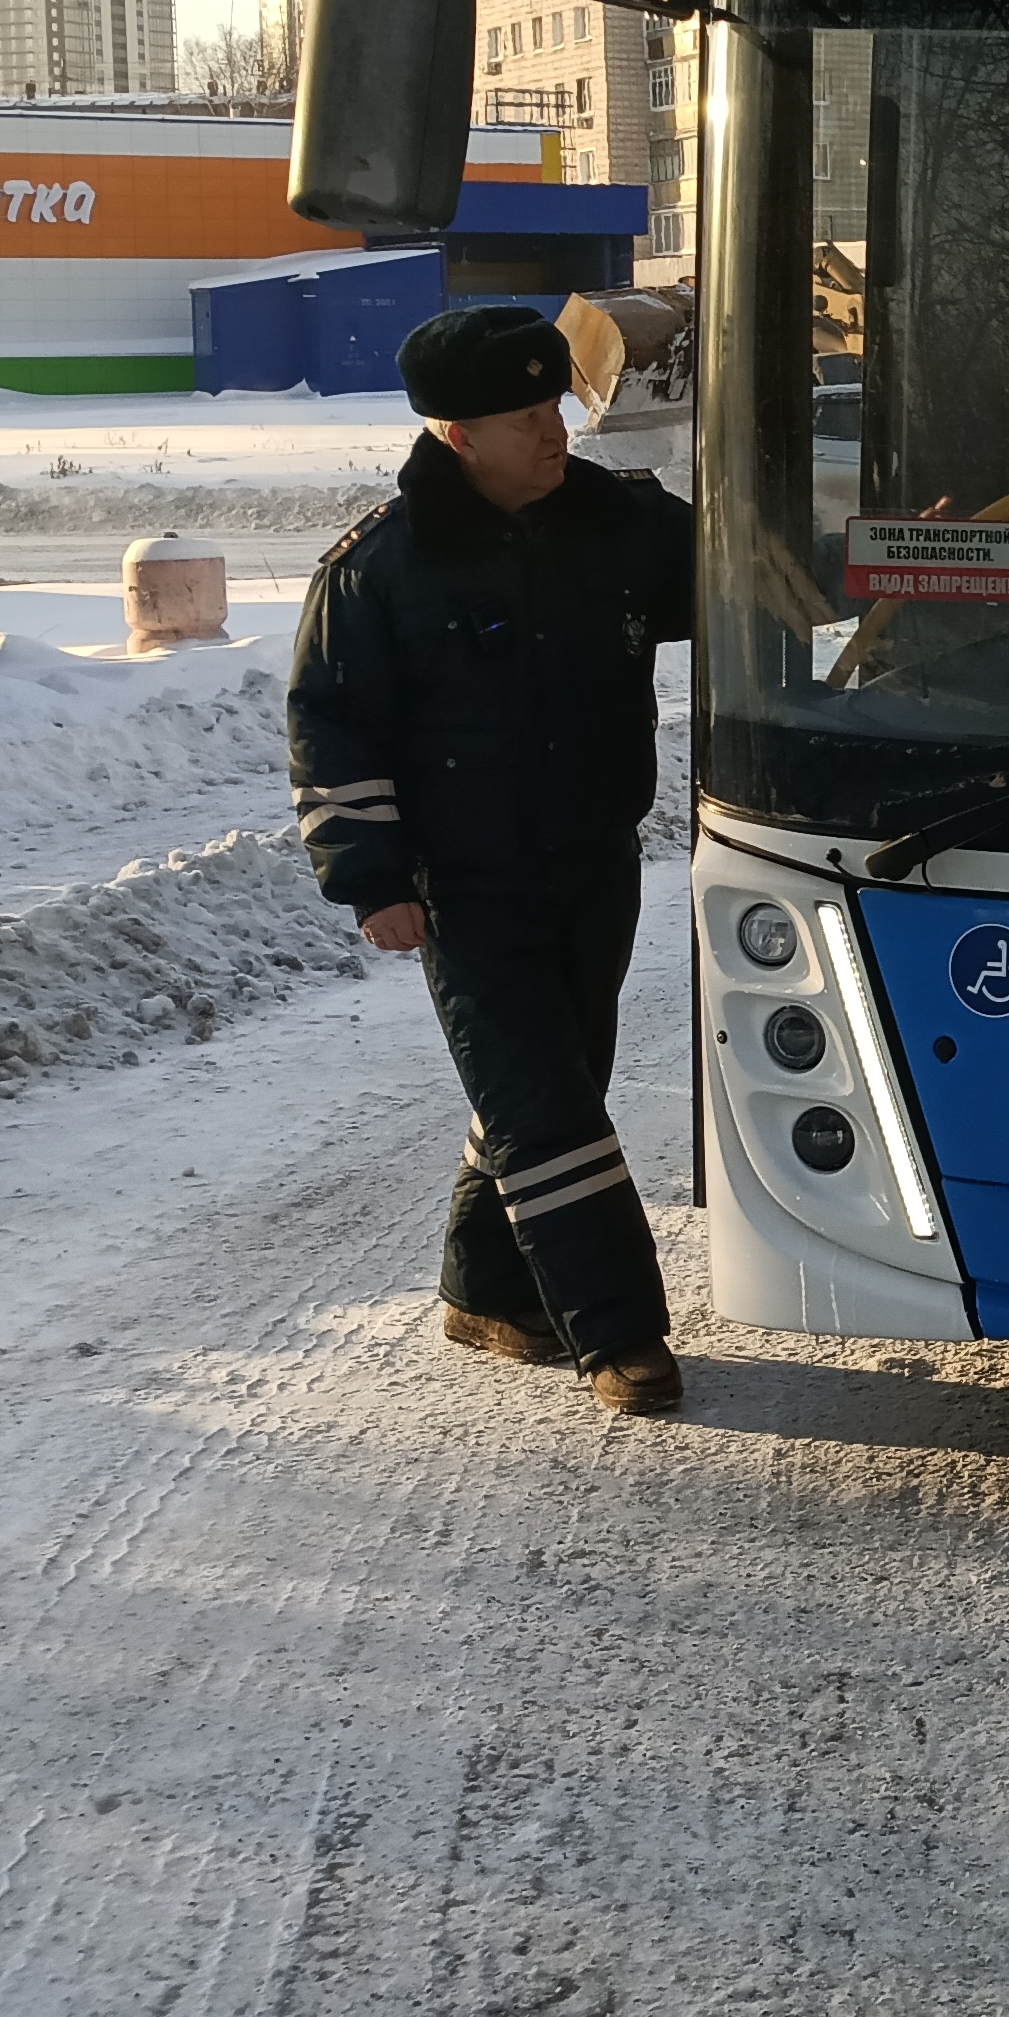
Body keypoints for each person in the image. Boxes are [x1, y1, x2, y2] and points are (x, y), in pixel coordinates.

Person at [289, 307, 699, 1415]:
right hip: (466, 887)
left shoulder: (613, 523)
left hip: (595, 865)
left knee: (552, 1085)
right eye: (526, 419)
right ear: (458, 434)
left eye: (557, 408)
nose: (555, 433)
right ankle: (618, 1335)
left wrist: (884, 563)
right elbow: (333, 727)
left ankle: (485, 1294)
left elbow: (746, 577)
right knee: (547, 1108)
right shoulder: (379, 568)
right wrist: (369, 879)